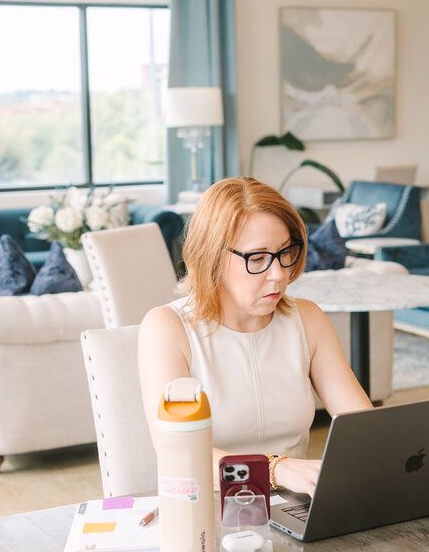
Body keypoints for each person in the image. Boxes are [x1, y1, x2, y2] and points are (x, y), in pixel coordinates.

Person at [138, 176, 372, 497]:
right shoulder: (167, 328)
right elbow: (178, 454)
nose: (279, 274)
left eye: (284, 253)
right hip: (207, 513)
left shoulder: (307, 319)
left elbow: (364, 427)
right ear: (212, 258)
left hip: (294, 507)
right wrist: (276, 468)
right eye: (257, 258)